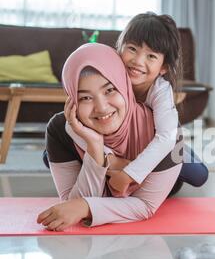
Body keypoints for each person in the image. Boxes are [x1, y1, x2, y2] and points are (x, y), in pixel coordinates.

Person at [42, 12, 208, 194]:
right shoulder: (106, 72)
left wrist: (130, 173)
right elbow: (79, 122)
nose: (138, 61)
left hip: (156, 141)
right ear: (119, 47)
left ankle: (184, 149)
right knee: (49, 156)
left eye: (151, 56)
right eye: (132, 49)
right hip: (118, 146)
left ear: (163, 68)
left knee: (198, 174)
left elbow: (166, 138)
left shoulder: (160, 91)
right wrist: (112, 159)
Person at [37, 43, 182, 231]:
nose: (102, 107)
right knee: (50, 155)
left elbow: (144, 205)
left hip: (167, 167)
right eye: (85, 98)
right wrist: (95, 148)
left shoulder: (166, 131)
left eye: (109, 90)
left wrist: (86, 206)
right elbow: (70, 207)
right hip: (95, 151)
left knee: (196, 172)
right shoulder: (60, 129)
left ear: (124, 86)